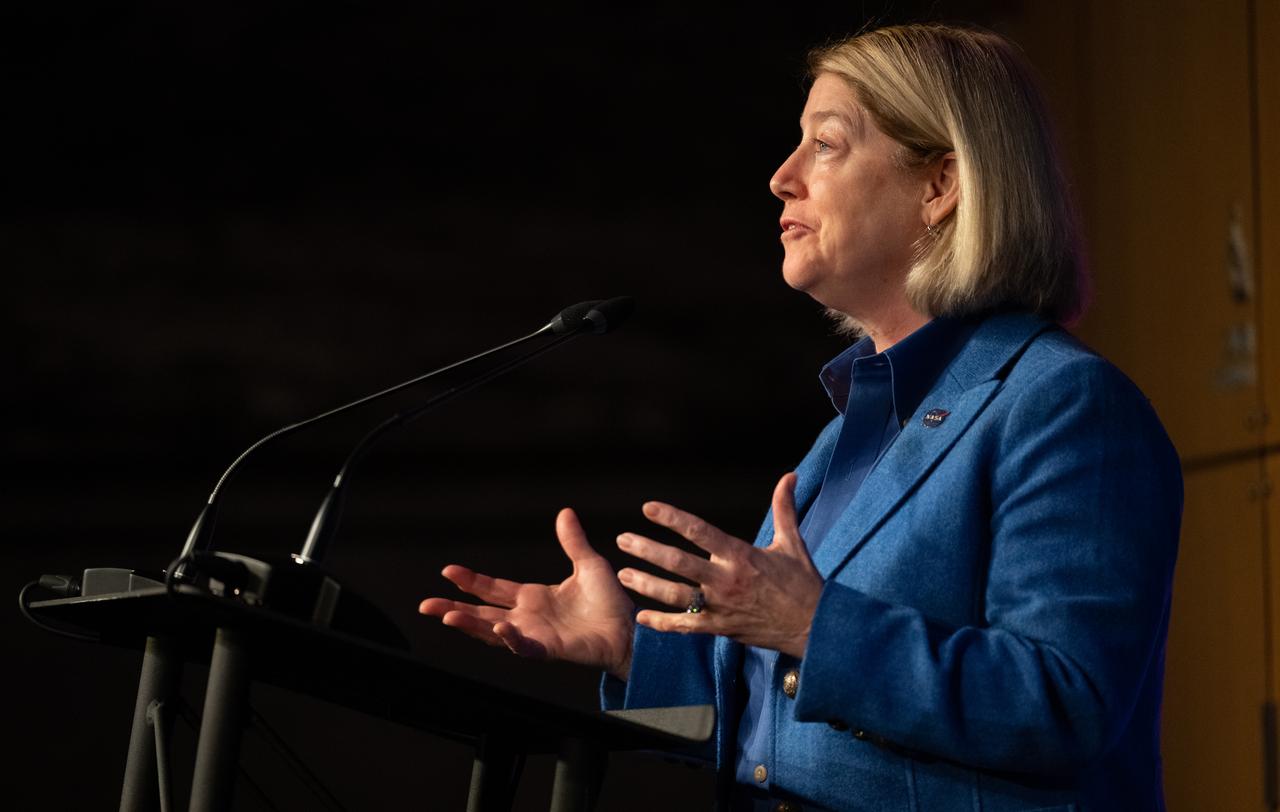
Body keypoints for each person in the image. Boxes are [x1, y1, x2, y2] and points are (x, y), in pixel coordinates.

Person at [419, 22, 1182, 811]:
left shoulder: (1063, 405)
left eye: (826, 144)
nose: (782, 178)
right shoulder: (847, 434)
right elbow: (780, 735)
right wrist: (629, 650)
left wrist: (816, 626)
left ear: (940, 185)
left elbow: (1065, 706)